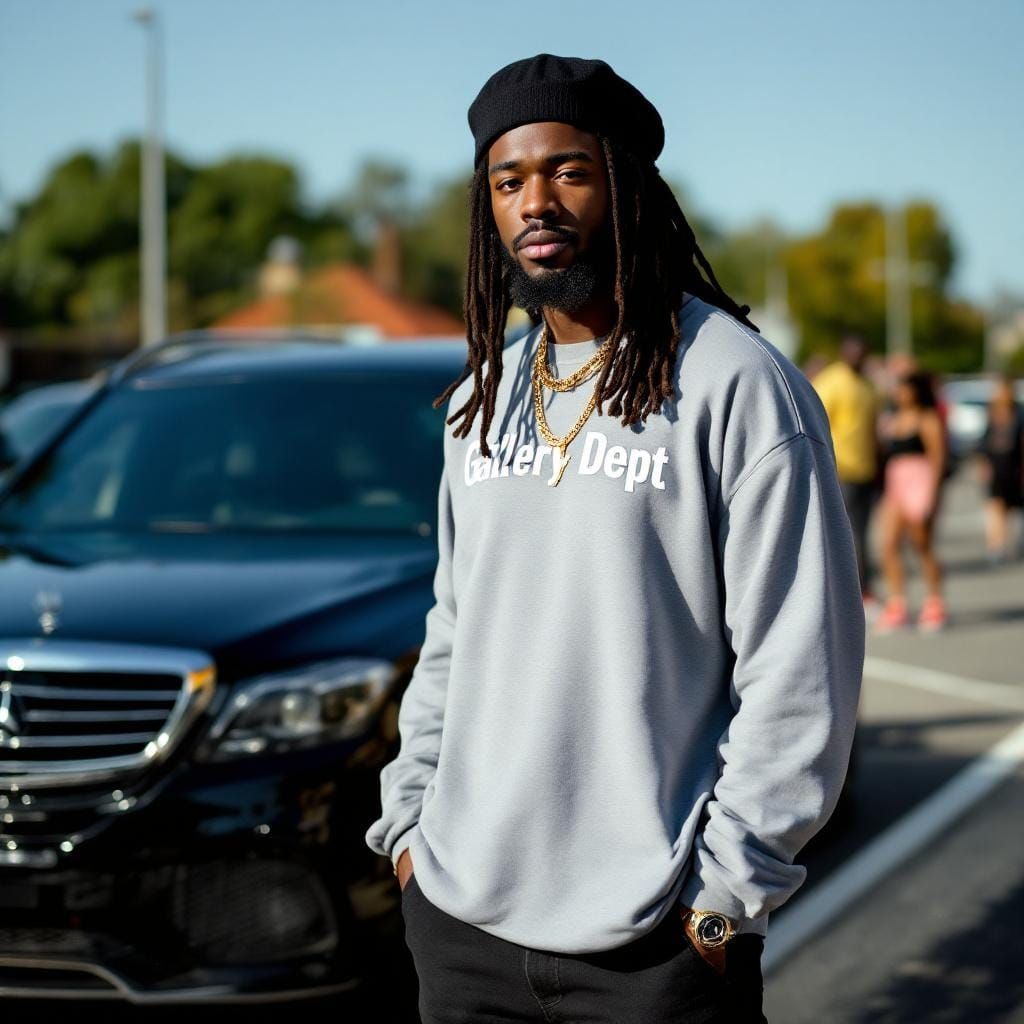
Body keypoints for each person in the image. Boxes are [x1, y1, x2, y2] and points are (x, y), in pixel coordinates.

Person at [364, 53, 864, 1023]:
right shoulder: (483, 396)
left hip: (652, 946)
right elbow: (453, 634)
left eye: (568, 171)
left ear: (627, 186)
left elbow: (800, 669)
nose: (534, 202)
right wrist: (408, 830)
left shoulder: (736, 385)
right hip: (461, 924)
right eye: (508, 182)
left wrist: (722, 903)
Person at [811, 335, 884, 615]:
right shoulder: (831, 382)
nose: (858, 356)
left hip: (865, 470)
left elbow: (874, 429)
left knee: (862, 535)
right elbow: (814, 422)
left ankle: (863, 591)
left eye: (862, 351)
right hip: (839, 469)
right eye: (853, 350)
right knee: (845, 536)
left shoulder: (867, 386)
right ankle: (849, 595)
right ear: (844, 352)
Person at [874, 370, 948, 633]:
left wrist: (932, 495)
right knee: (889, 544)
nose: (900, 394)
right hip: (896, 483)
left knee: (922, 544)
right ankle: (898, 603)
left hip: (920, 481)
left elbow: (938, 459)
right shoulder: (893, 418)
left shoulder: (927, 418)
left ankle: (935, 601)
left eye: (905, 389)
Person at [977, 374, 1024, 563]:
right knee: (995, 507)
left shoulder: (1020, 414)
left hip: (1015, 466)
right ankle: (996, 545)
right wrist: (983, 464)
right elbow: (984, 442)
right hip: (996, 465)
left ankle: (1016, 542)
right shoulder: (992, 413)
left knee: (1015, 508)